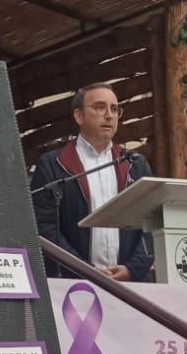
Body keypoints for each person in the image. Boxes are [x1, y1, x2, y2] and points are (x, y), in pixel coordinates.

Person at [29, 83, 153, 281]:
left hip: (132, 287)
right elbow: (45, 227)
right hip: (74, 284)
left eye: (114, 109)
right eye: (100, 107)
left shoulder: (135, 164)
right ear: (79, 116)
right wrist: (83, 270)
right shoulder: (54, 164)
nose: (109, 115)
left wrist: (132, 269)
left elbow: (152, 223)